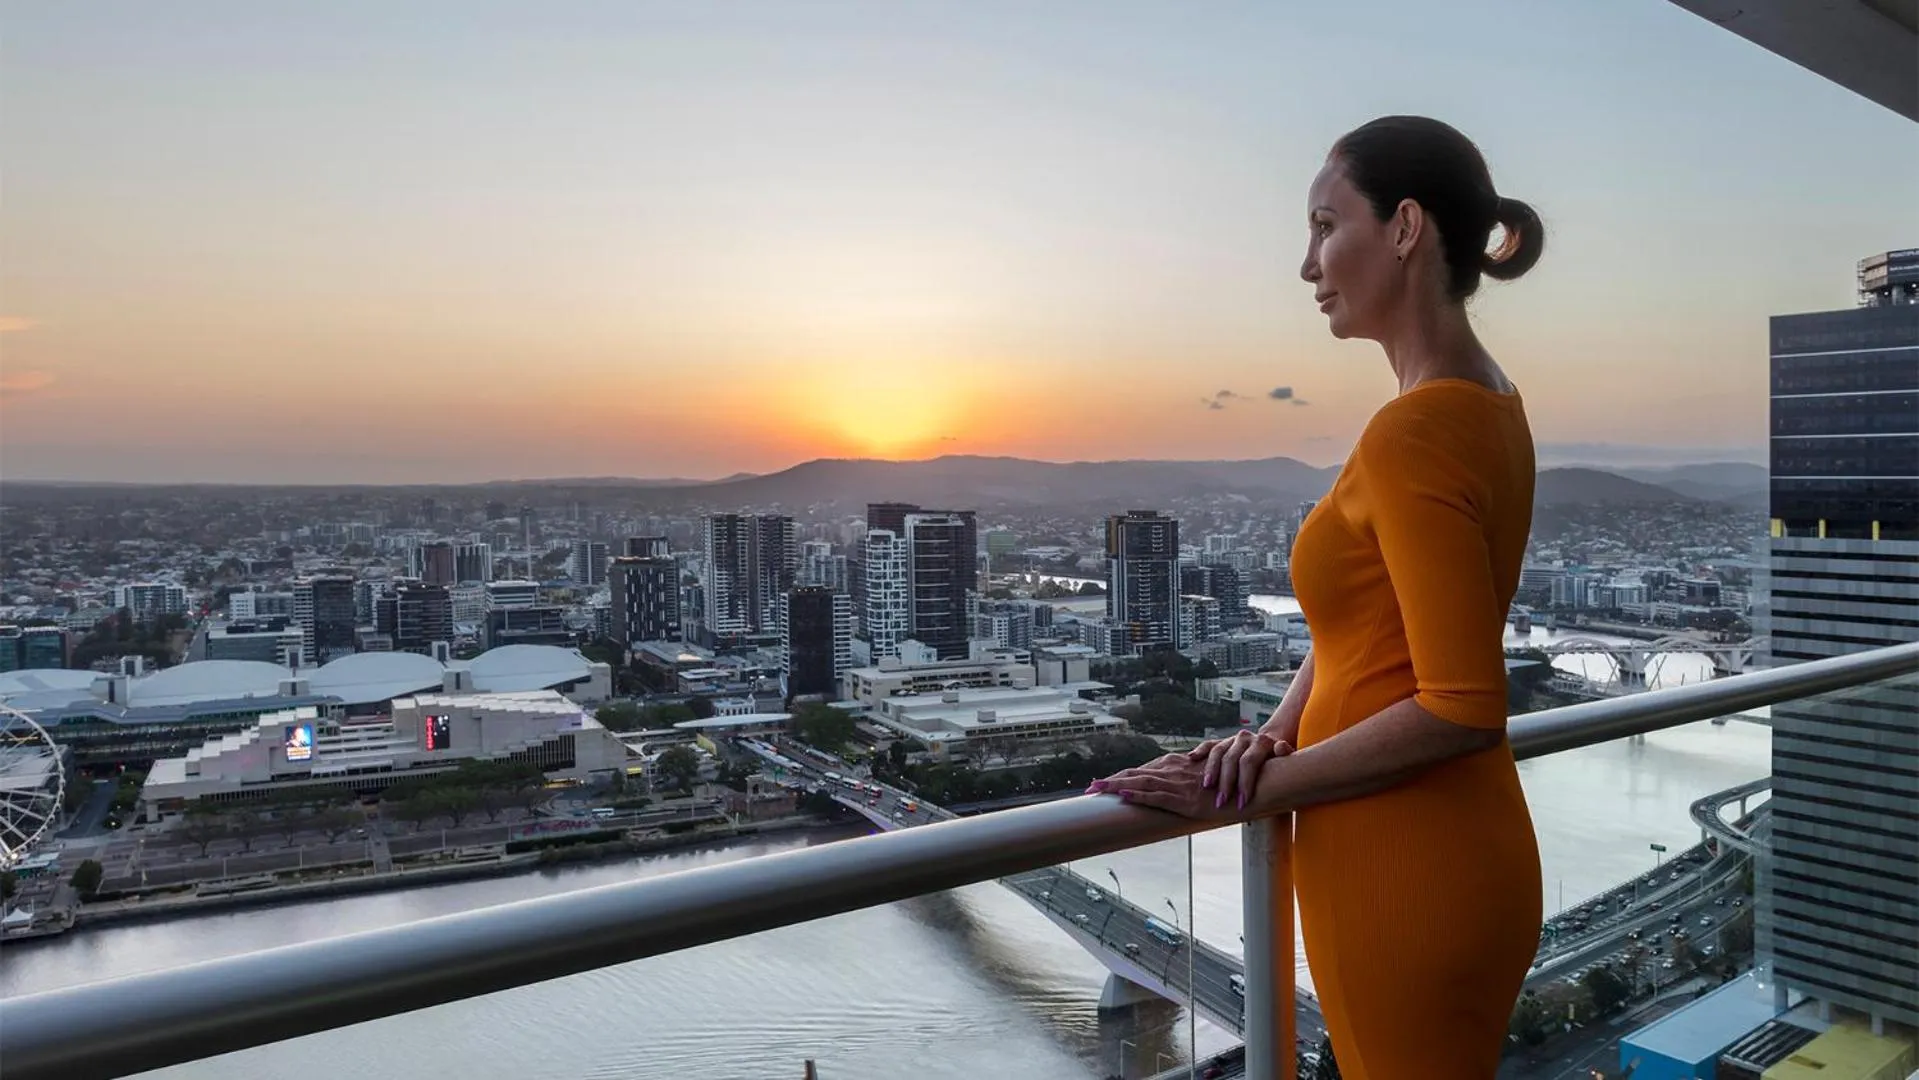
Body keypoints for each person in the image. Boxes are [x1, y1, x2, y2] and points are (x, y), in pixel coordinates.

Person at [1089, 116, 1546, 1078]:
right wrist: (1267, 738)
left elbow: (1463, 705)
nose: (1307, 263)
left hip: (1403, 858)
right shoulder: (1486, 403)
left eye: (1324, 224)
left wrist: (1254, 785)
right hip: (1421, 841)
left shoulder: (1417, 431)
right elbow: (1362, 635)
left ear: (1405, 227)